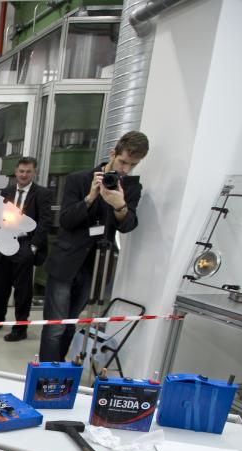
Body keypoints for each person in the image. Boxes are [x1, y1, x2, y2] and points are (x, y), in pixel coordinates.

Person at [39, 131, 148, 362]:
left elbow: (128, 226)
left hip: (96, 267)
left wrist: (120, 205)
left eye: (133, 165)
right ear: (112, 154)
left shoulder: (130, 188)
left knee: (70, 324)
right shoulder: (79, 179)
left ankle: (59, 372)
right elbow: (67, 221)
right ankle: (44, 377)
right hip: (65, 264)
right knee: (55, 327)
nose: (125, 170)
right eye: (123, 162)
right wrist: (89, 198)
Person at [0, 157, 51, 342]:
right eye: (21, 171)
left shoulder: (42, 193)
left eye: (28, 172)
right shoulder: (6, 192)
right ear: (16, 172)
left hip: (25, 244)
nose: (24, 175)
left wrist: (33, 247)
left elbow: (45, 221)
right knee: (0, 284)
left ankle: (20, 328)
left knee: (23, 290)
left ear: (34, 173)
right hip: (5, 242)